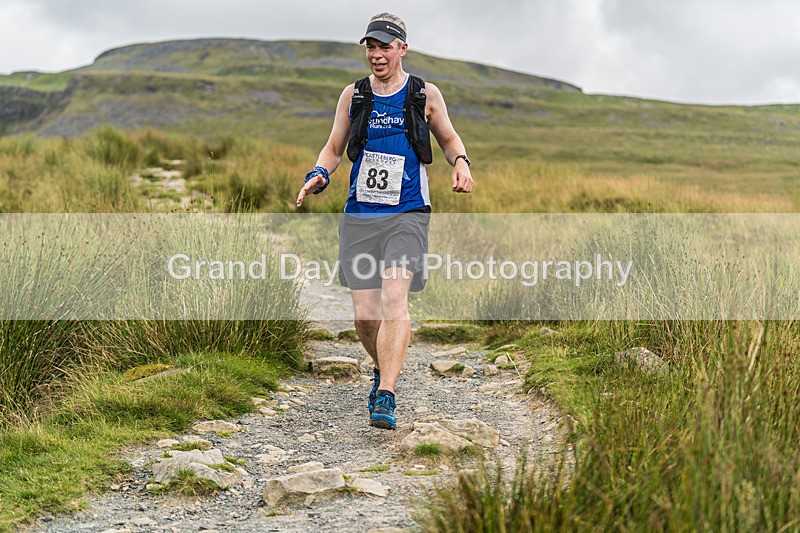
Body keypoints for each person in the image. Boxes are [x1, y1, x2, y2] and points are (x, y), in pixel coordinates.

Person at [296, 12, 474, 430]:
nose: (376, 55)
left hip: (408, 213)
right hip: (361, 215)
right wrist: (319, 174)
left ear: (402, 49)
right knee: (364, 317)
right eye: (370, 47)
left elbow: (448, 138)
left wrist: (461, 163)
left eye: (384, 47)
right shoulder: (354, 95)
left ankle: (387, 395)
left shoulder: (424, 94)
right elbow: (334, 147)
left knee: (396, 297)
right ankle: (383, 367)